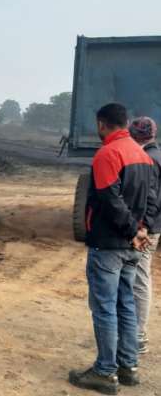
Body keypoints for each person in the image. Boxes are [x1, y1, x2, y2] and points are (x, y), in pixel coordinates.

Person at [69, 103, 154, 395]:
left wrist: (132, 231)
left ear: (102, 124)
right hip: (133, 244)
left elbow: (110, 199)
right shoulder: (142, 154)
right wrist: (142, 231)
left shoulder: (108, 154)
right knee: (125, 304)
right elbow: (153, 200)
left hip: (108, 245)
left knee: (105, 308)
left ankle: (105, 372)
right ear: (126, 123)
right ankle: (127, 366)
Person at [129, 116, 161, 355]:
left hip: (148, 228)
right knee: (140, 277)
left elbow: (151, 199)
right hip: (154, 226)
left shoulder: (148, 159)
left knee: (139, 279)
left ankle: (137, 336)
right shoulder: (157, 155)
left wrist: (143, 228)